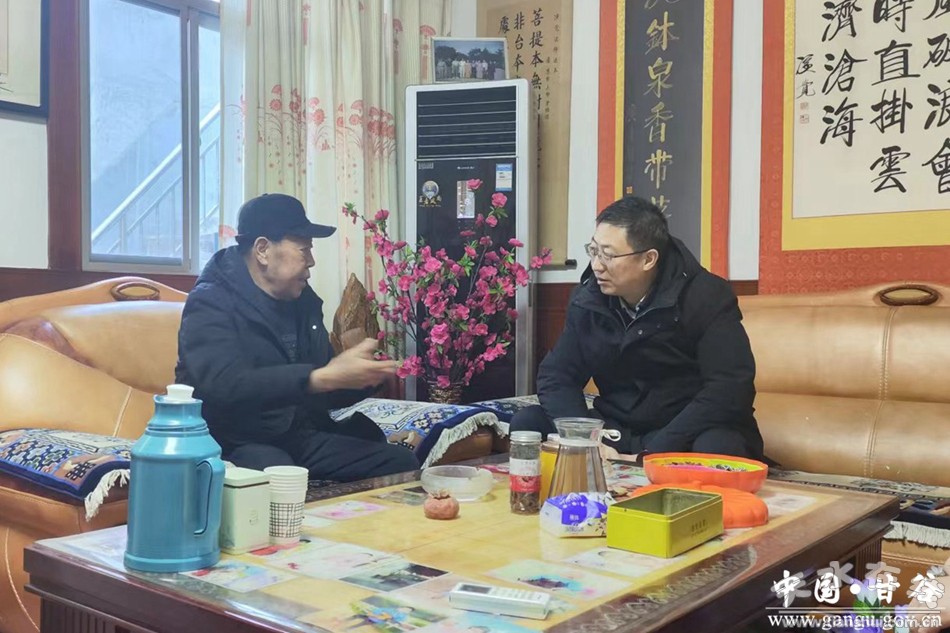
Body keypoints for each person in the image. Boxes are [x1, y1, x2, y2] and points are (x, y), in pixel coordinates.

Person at [176, 193, 419, 481]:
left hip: (296, 435)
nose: (312, 261)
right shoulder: (210, 301)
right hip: (231, 439)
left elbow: (322, 386)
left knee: (399, 462)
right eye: (304, 249)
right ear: (263, 250)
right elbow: (225, 385)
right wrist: (319, 378)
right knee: (277, 475)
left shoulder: (302, 300)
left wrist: (362, 378)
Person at [510, 196, 764, 461]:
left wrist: (651, 453)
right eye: (594, 251)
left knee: (718, 447)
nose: (597, 265)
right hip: (617, 430)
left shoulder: (704, 296)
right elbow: (557, 376)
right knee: (529, 423)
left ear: (648, 259)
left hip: (682, 432)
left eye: (608, 255)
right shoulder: (588, 299)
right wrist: (585, 440)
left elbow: (729, 388)